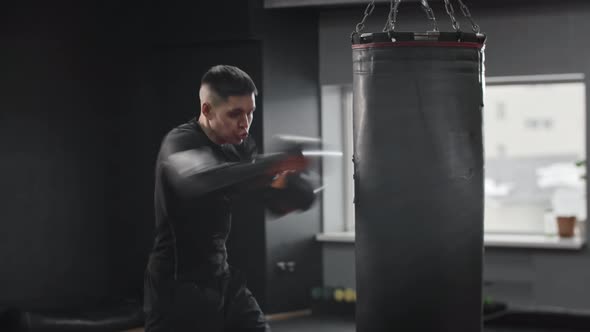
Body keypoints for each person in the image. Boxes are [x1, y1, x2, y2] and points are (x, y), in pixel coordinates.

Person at [144, 65, 316, 332]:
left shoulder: (241, 146)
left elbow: (267, 198)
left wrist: (295, 191)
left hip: (222, 276)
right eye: (235, 113)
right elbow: (200, 180)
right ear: (207, 110)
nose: (245, 123)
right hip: (178, 285)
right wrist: (273, 162)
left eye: (250, 113)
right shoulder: (181, 141)